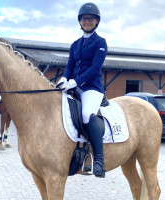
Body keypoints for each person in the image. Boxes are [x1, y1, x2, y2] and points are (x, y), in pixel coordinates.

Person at [58, 2, 107, 178]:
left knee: (86, 114)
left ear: (96, 22)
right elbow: (69, 66)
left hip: (92, 88)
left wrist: (75, 82)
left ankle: (99, 160)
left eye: (90, 19)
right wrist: (64, 79)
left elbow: (95, 68)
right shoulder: (75, 44)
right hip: (74, 86)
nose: (87, 21)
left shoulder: (100, 42)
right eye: (84, 19)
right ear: (80, 21)